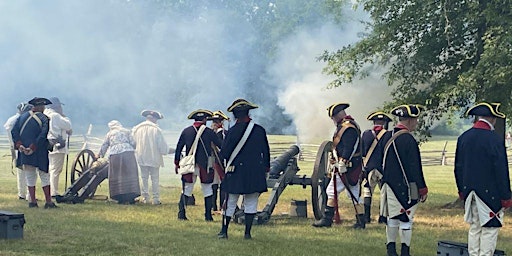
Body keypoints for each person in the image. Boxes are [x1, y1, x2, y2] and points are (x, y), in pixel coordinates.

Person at [454, 102, 512, 256]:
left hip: (469, 192)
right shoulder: (494, 139)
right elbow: (501, 171)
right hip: (490, 193)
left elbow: (458, 168)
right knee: (490, 229)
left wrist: (461, 190)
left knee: (474, 228)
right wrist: (506, 196)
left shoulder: (463, 137)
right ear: (492, 118)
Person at [379, 104, 428, 256]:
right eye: (415, 120)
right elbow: (414, 168)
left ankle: (391, 249)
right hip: (406, 186)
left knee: (392, 217)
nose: (417, 123)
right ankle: (405, 251)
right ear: (410, 120)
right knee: (406, 218)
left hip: (388, 184)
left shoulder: (386, 136)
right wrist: (422, 188)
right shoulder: (409, 140)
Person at [217, 99, 270, 239]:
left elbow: (224, 153)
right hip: (255, 171)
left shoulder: (232, 131)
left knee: (230, 202)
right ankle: (247, 233)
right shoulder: (259, 130)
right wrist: (265, 168)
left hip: (235, 172)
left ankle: (224, 231)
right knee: (251, 202)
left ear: (235, 115)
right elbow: (266, 152)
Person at [313, 103, 366, 229]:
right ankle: (360, 220)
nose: (333, 120)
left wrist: (343, 162)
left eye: (333, 117)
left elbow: (350, 147)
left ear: (338, 115)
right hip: (345, 166)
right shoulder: (345, 126)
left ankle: (328, 219)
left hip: (349, 167)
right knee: (347, 193)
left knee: (344, 193)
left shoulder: (348, 128)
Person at [174, 109, 222, 221]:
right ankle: (208, 216)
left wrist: (177, 163)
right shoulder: (210, 132)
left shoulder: (186, 131)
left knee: (186, 189)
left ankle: (181, 214)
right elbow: (220, 145)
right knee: (208, 189)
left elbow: (178, 148)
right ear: (205, 119)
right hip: (204, 165)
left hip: (189, 164)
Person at [11, 97, 57, 208]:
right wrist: (32, 147)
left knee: (29, 176)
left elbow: (14, 131)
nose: (44, 108)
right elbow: (42, 135)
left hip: (24, 150)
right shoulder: (45, 119)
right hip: (39, 151)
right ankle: (48, 202)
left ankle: (32, 202)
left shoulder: (22, 117)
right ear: (41, 106)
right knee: (44, 176)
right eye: (43, 106)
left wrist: (20, 145)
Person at [361, 111, 393, 223]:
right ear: (384, 122)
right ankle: (382, 218)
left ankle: (366, 217)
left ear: (374, 122)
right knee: (384, 193)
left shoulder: (366, 134)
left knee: (367, 192)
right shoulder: (389, 135)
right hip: (383, 168)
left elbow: (363, 152)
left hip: (369, 167)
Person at [98, 120, 140, 204]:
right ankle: (131, 196)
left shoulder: (109, 134)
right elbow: (133, 143)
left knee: (117, 175)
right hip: (128, 153)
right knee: (129, 174)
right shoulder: (126, 131)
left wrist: (99, 155)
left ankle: (120, 197)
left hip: (115, 155)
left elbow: (105, 145)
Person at [132, 110, 169, 205]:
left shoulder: (137, 129)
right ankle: (156, 199)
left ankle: (145, 198)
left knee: (144, 178)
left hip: (141, 156)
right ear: (154, 119)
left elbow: (133, 143)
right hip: (154, 157)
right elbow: (162, 147)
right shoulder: (156, 130)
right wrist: (167, 151)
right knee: (155, 179)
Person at [44, 97, 72, 197]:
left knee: (49, 169)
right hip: (58, 146)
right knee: (55, 170)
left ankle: (50, 191)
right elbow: (68, 126)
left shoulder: (45, 114)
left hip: (47, 145)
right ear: (57, 106)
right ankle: (54, 192)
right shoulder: (56, 116)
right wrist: (64, 116)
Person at [4, 102, 33, 200]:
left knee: (21, 172)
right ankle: (28, 195)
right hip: (21, 146)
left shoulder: (11, 120)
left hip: (15, 147)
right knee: (28, 171)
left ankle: (22, 194)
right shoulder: (19, 120)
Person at [208, 110, 229, 212]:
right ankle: (213, 205)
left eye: (217, 121)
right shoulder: (211, 132)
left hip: (220, 160)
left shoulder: (224, 133)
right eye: (214, 121)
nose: (215, 123)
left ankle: (221, 205)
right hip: (212, 160)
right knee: (213, 183)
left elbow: (223, 146)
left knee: (221, 183)